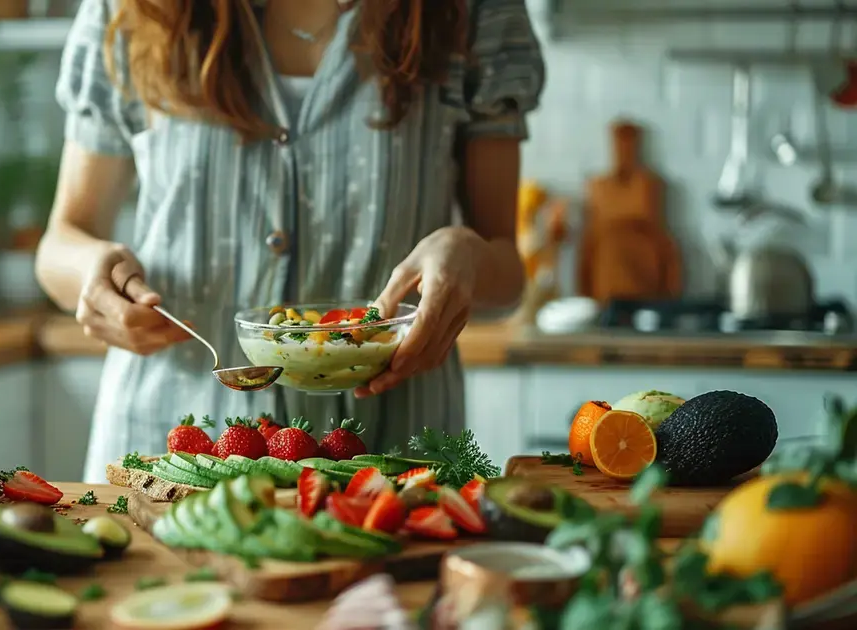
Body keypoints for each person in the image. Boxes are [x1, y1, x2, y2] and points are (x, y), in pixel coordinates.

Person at [36, 0, 545, 483]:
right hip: (170, 451)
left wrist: (468, 256)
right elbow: (62, 243)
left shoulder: (471, 11)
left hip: (392, 458)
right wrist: (92, 271)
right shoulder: (133, 8)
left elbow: (504, 271)